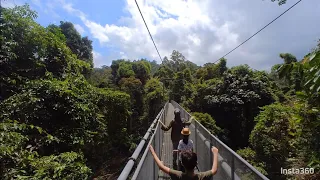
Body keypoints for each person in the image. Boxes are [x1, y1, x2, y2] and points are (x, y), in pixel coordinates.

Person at [149, 145, 218, 180]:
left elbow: (161, 167)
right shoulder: (201, 176)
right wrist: (215, 153)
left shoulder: (178, 175)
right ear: (196, 163)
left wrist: (153, 152)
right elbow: (214, 170)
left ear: (182, 163)